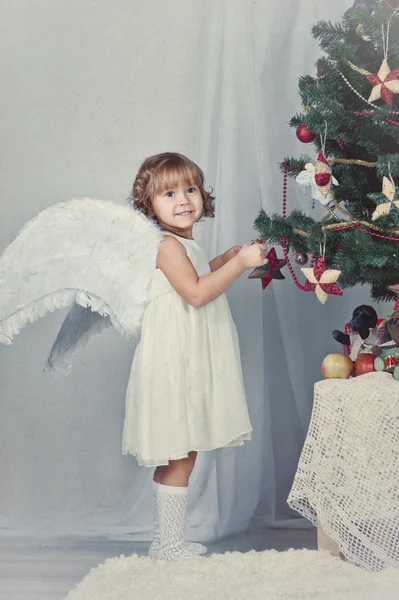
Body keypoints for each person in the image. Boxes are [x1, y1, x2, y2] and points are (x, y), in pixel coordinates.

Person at [121, 152, 267, 561]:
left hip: (189, 355)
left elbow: (201, 274)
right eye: (169, 193)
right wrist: (238, 264)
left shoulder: (183, 242)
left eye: (190, 189)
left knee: (182, 450)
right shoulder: (166, 244)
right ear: (149, 205)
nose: (184, 199)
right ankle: (168, 546)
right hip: (176, 360)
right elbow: (198, 293)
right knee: (181, 451)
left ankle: (165, 540)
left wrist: (225, 258)